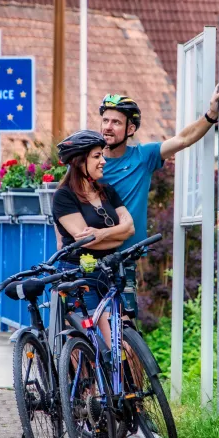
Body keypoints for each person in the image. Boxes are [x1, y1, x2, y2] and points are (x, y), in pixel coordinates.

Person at [91, 89, 219, 315]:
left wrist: (211, 114)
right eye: (105, 120)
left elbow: (182, 139)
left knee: (124, 325)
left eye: (116, 122)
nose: (108, 127)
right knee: (84, 325)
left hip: (125, 255)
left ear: (130, 129)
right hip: (91, 253)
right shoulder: (89, 161)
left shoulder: (143, 157)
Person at [51, 130, 134, 348]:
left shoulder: (107, 191)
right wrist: (115, 234)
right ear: (80, 162)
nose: (103, 161)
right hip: (79, 273)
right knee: (90, 344)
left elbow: (130, 228)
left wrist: (101, 234)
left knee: (122, 343)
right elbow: (84, 241)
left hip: (108, 271)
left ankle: (121, 383)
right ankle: (88, 383)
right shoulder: (64, 196)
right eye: (97, 156)